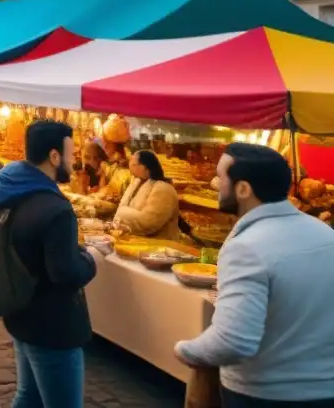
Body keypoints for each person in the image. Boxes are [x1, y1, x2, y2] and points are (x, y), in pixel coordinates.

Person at [175, 144, 334, 407]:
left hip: (266, 393)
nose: (216, 185)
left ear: (243, 189)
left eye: (221, 178)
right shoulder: (326, 234)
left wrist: (185, 349)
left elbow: (233, 341)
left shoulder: (246, 247)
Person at [0, 120, 96, 408]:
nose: (75, 162)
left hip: (22, 313)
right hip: (53, 326)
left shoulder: (13, 192)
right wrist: (91, 259)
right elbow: (65, 273)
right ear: (54, 157)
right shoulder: (56, 209)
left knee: (29, 396)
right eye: (71, 155)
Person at [112, 149, 181, 240]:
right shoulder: (136, 182)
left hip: (160, 245)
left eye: (134, 164)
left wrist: (121, 213)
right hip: (134, 239)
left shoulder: (164, 189)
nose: (130, 167)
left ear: (145, 167)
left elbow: (148, 222)